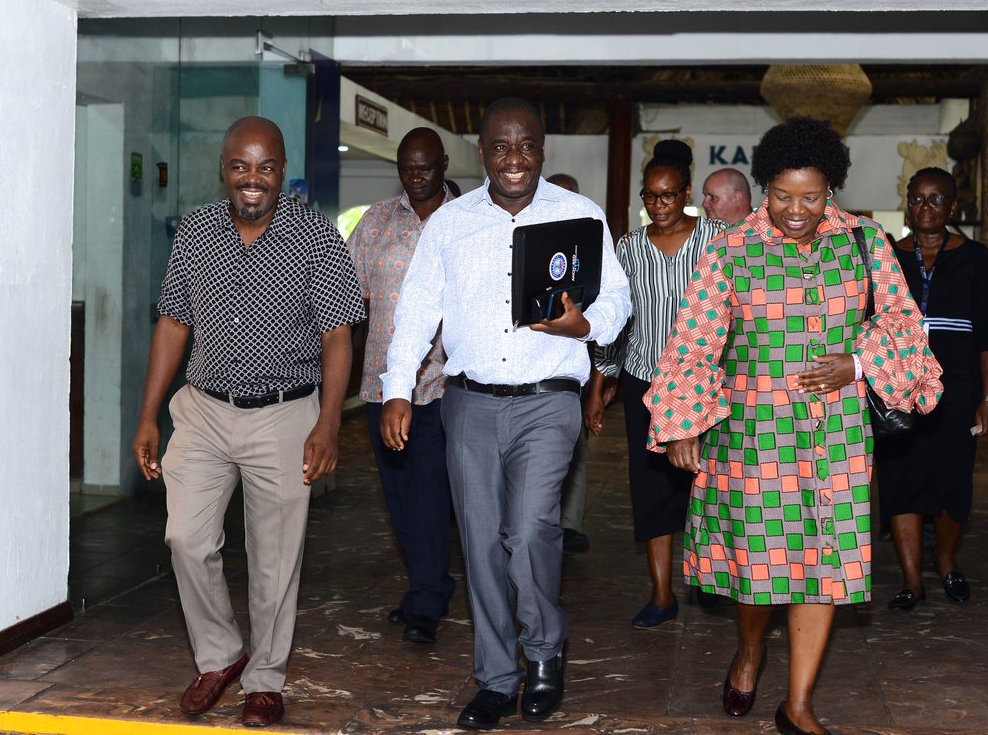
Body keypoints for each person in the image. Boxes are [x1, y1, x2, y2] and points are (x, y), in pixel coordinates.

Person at [646, 118, 942, 735]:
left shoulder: (865, 241)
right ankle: (750, 651)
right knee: (760, 569)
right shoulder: (730, 249)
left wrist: (857, 363)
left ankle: (798, 704)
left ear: (830, 188)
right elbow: (695, 339)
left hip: (836, 433)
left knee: (823, 564)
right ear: (764, 187)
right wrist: (682, 423)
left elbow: (907, 329)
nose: (796, 210)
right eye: (783, 195)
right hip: (753, 432)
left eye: (811, 196)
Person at [380, 98, 630, 730]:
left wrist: (585, 325)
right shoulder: (451, 223)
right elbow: (415, 310)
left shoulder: (579, 214)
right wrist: (397, 388)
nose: (513, 158)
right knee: (483, 546)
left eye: (525, 147)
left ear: (542, 151)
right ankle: (496, 677)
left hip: (549, 400)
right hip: (469, 403)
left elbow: (618, 300)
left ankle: (545, 649)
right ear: (483, 153)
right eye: (500, 147)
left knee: (529, 533)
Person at [131, 116, 364, 728]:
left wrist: (330, 424)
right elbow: (173, 323)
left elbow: (338, 335)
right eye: (240, 167)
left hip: (285, 414)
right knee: (186, 538)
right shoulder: (197, 233)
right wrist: (148, 415)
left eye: (265, 167)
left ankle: (265, 676)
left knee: (275, 557)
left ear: (282, 171)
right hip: (203, 411)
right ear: (224, 170)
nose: (252, 179)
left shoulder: (316, 237)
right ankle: (220, 654)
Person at [584, 140, 718, 627]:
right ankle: (662, 594)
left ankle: (710, 579)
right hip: (646, 384)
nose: (659, 206)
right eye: (650, 197)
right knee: (652, 491)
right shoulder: (630, 248)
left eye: (668, 196)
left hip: (705, 387)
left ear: (686, 192)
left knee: (709, 486)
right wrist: (603, 382)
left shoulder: (717, 239)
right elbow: (618, 319)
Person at [875, 167, 988, 611]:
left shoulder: (976, 257)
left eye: (936, 199)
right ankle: (913, 580)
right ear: (907, 203)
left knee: (953, 482)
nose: (925, 208)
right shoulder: (888, 257)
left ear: (952, 207)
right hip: (899, 389)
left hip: (958, 388)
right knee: (901, 481)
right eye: (917, 199)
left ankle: (946, 561)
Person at [349, 127, 456, 644]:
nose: (416, 177)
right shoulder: (376, 222)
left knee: (430, 491)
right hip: (383, 384)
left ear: (445, 164)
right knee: (398, 494)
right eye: (407, 169)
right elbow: (351, 299)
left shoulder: (467, 220)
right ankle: (428, 584)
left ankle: (428, 601)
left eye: (426, 168)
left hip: (445, 387)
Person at [547, 171, 592, 555]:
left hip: (575, 364)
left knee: (575, 445)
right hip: (535, 370)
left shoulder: (586, 245)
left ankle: (569, 524)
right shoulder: (532, 241)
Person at [701, 166, 753, 234]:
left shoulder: (766, 236)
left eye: (713, 198)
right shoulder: (702, 235)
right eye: (705, 196)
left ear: (737, 198)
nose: (704, 204)